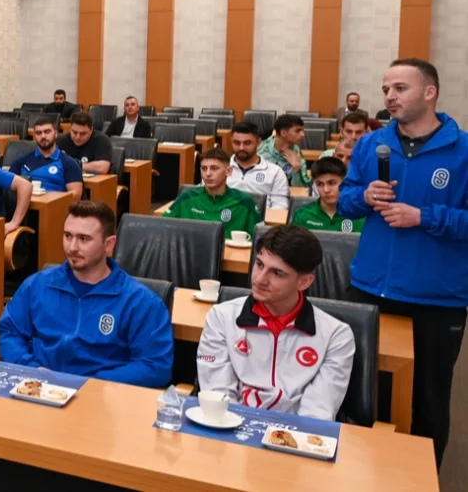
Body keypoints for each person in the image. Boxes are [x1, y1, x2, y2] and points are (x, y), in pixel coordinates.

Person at [337, 58, 468, 467]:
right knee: (361, 390)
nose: (390, 96)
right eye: (386, 89)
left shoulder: (463, 150)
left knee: (427, 400)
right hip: (370, 286)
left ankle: (419, 476)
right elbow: (343, 200)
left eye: (400, 88)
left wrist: (425, 217)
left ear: (430, 93)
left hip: (436, 297)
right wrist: (364, 198)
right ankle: (360, 474)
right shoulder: (371, 144)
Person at [0, 200, 173, 386]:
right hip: (39, 389)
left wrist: (91, 383)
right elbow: (10, 332)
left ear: (109, 244)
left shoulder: (140, 302)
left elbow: (155, 366)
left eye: (84, 239)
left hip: (103, 400)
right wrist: (32, 369)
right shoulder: (38, 285)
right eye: (68, 236)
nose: (72, 247)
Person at [197, 225, 355, 421]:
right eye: (259, 264)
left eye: (277, 273)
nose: (260, 279)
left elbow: (317, 413)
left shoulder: (336, 336)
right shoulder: (221, 317)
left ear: (304, 282)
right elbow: (218, 399)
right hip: (230, 431)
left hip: (295, 440)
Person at [164, 147, 261, 237]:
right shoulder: (187, 198)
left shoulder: (244, 202)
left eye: (214, 168)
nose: (208, 174)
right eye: (204, 168)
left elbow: (260, 237)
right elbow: (162, 226)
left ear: (228, 171)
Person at [10, 117, 83, 200]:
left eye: (47, 132)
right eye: (38, 133)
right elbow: (9, 186)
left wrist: (50, 198)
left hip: (54, 207)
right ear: (34, 137)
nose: (43, 136)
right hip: (24, 205)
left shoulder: (69, 163)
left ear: (56, 133)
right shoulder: (22, 161)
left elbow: (76, 194)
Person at [227, 122, 290, 210]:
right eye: (237, 143)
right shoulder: (219, 168)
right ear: (231, 142)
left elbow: (280, 206)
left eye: (247, 143)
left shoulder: (275, 172)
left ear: (258, 143)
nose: (241, 147)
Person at [292, 158, 364, 233]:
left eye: (332, 183)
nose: (326, 190)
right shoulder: (302, 215)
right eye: (320, 184)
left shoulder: (360, 216)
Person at [259, 114, 311, 187]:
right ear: (283, 133)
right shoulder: (260, 150)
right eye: (298, 131)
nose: (303, 134)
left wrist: (296, 169)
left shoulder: (297, 155)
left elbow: (303, 190)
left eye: (302, 130)